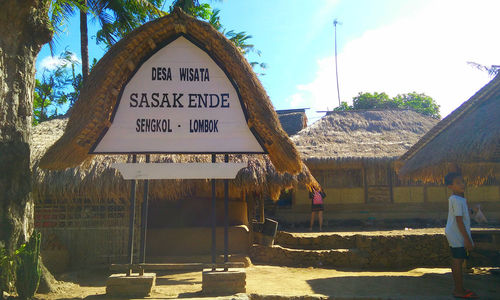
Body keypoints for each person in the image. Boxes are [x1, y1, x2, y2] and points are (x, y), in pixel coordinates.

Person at [444, 172, 478, 299]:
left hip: (456, 232)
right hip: (457, 233)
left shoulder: (459, 199)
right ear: (450, 186)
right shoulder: (456, 200)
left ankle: (459, 288)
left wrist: (473, 210)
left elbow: (463, 215)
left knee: (458, 259)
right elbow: (459, 220)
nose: (462, 184)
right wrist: (467, 239)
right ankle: (459, 290)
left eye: (462, 181)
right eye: (458, 182)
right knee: (457, 260)